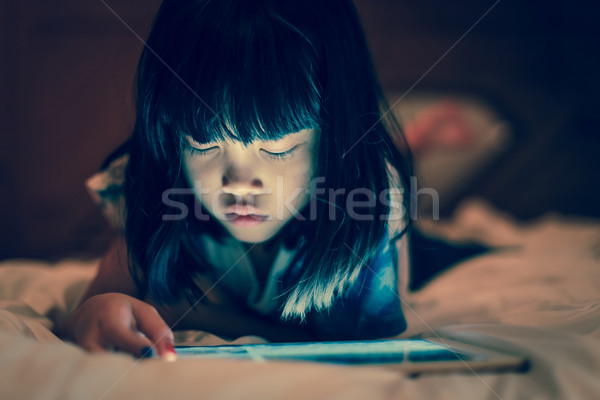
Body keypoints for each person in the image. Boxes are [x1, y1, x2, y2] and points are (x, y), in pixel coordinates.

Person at [57, 0, 478, 361]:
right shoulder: (161, 184)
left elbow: (357, 346)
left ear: (332, 140)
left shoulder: (370, 209)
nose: (238, 182)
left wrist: (202, 314)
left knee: (438, 241)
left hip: (362, 219)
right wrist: (97, 309)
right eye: (203, 144)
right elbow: (95, 303)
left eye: (276, 148)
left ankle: (418, 138)